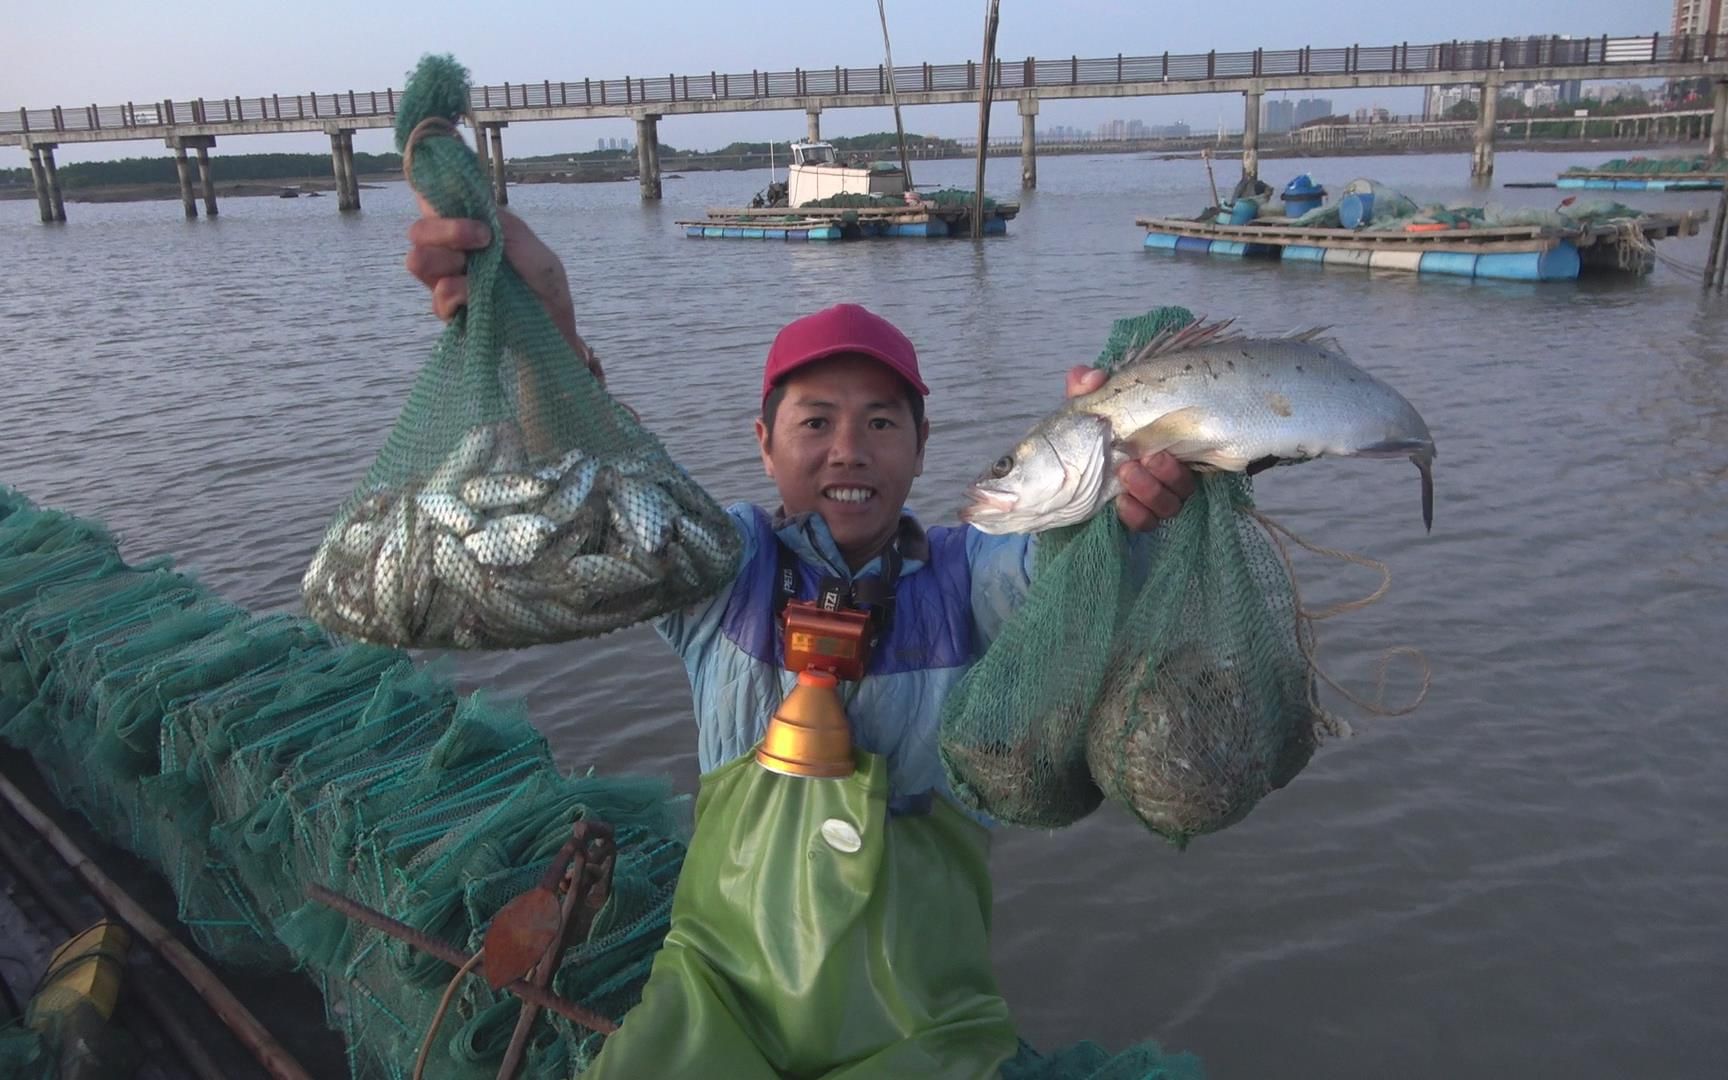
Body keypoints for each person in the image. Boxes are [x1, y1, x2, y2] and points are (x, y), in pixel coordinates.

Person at [405, 207, 1197, 816]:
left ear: (922, 445)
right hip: (730, 973)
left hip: (921, 989)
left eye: (881, 423)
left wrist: (1122, 506)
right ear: (764, 444)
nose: (848, 450)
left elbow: (1062, 571)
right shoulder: (726, 567)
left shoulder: (969, 574)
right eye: (815, 422)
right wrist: (551, 339)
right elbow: (605, 501)